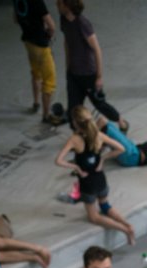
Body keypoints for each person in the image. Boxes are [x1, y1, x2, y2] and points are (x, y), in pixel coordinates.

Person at [55, 105, 135, 244]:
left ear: (75, 122)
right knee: (105, 206)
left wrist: (76, 167)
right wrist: (103, 159)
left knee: (94, 217)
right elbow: (121, 148)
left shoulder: (75, 139)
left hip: (87, 184)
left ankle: (124, 229)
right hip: (100, 179)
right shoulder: (98, 135)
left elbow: (58, 161)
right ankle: (128, 224)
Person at [57, 0, 129, 132]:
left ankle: (122, 122)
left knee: (99, 104)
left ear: (68, 5)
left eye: (60, 3)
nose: (57, 5)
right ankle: (79, 136)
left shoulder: (82, 23)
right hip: (73, 73)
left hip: (88, 74)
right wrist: (68, 65)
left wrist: (99, 76)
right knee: (74, 108)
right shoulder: (63, 20)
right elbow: (67, 41)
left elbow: (97, 49)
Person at [12, 0, 57, 122]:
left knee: (36, 73)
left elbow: (15, 19)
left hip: (28, 42)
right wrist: (48, 35)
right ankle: (46, 115)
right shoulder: (37, 2)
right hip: (41, 46)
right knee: (49, 81)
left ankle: (36, 103)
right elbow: (51, 25)